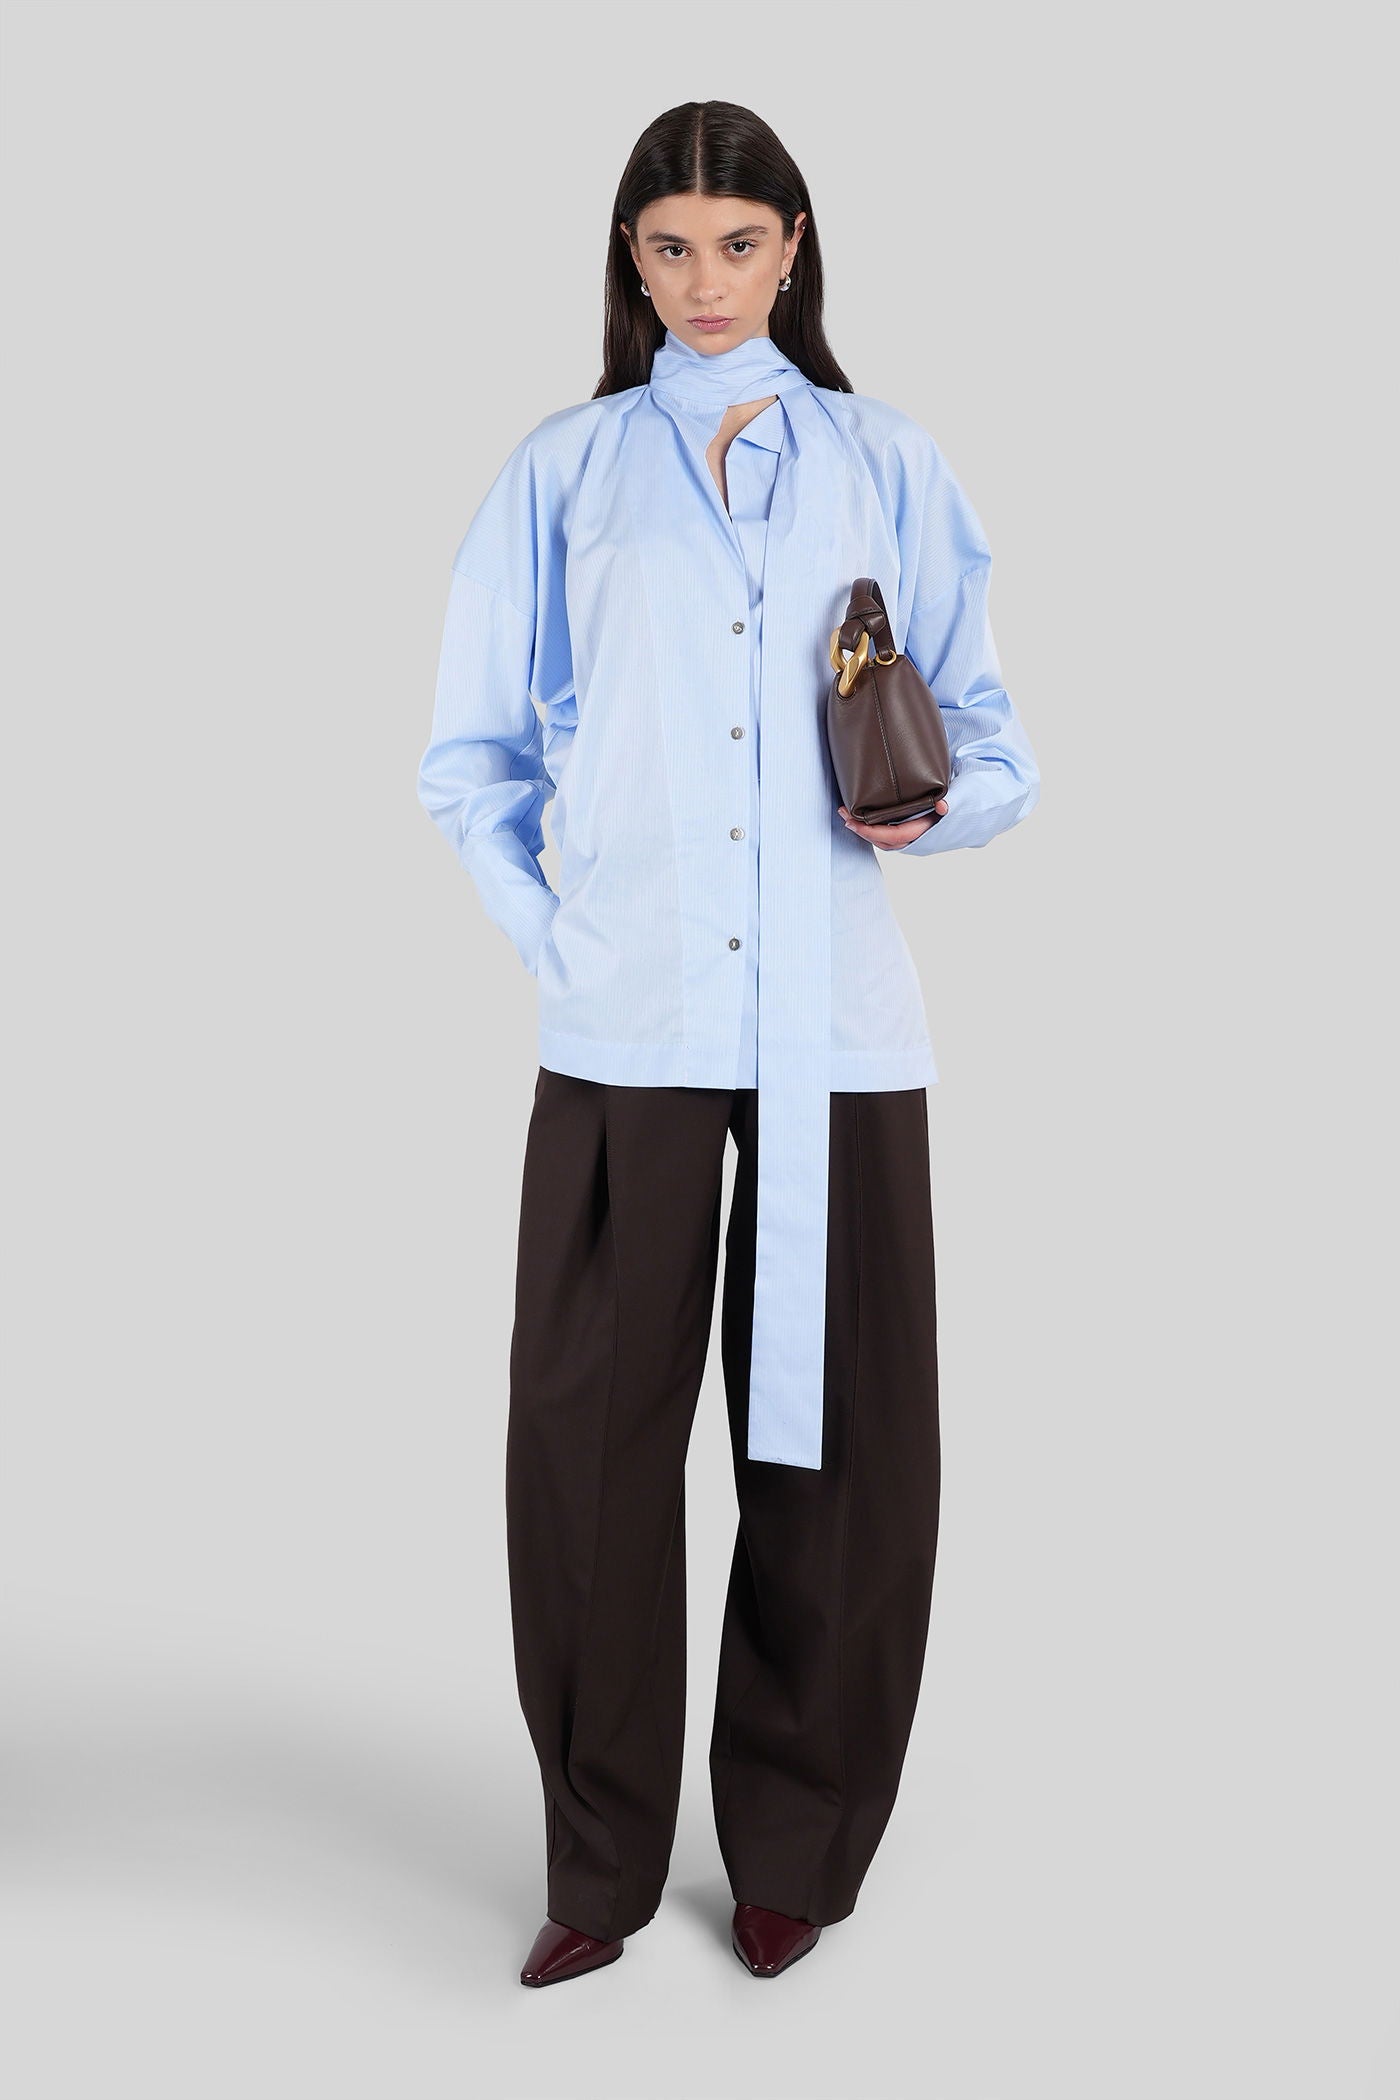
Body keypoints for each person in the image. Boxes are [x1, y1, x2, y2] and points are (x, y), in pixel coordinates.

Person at [417, 99, 1040, 1988]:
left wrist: (935, 808)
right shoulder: (564, 473)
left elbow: (996, 741)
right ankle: (596, 1866)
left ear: (795, 248)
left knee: (848, 1458)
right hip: (630, 1027)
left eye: (739, 245)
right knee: (588, 1459)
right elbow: (471, 760)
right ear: (631, 257)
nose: (706, 282)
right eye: (671, 247)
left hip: (836, 1033)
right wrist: (566, 935)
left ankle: (795, 1849)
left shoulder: (888, 462)